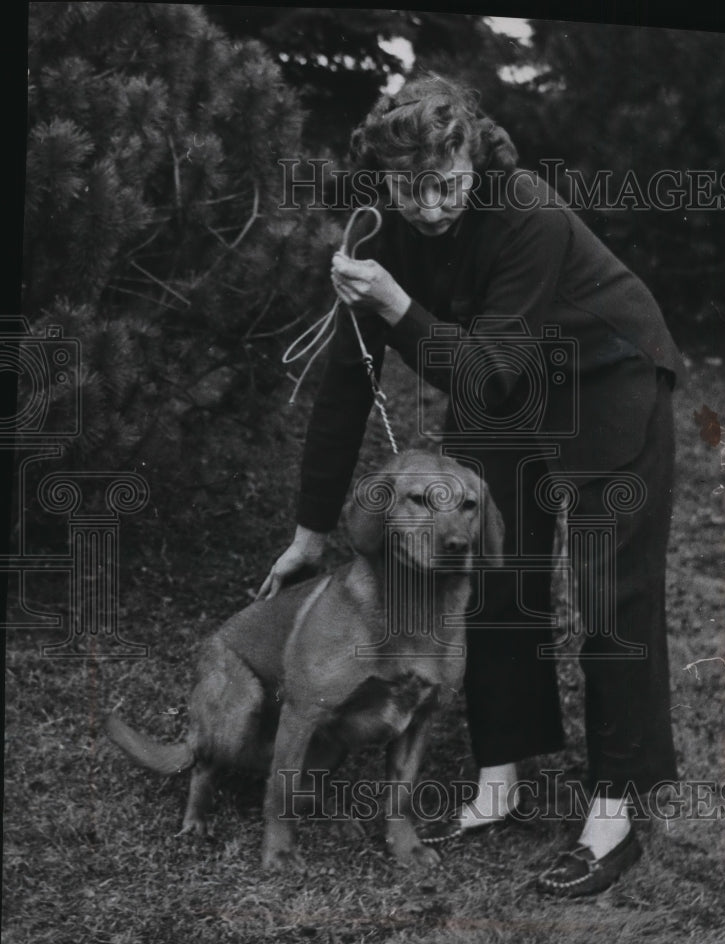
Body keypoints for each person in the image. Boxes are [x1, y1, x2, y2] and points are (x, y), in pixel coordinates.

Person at [259, 74, 684, 897]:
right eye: (406, 188)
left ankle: (614, 813)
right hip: (499, 383)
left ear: (470, 152)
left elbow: (486, 373)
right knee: (484, 571)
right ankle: (500, 779)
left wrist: (393, 302)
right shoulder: (383, 228)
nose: (426, 207)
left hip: (604, 382)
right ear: (382, 176)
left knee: (609, 596)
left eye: (442, 184)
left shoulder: (524, 211)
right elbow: (350, 382)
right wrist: (311, 530)